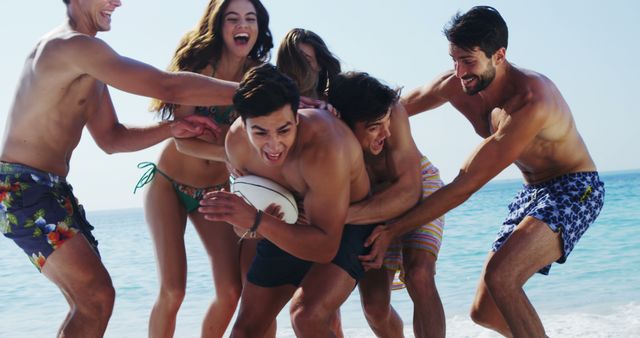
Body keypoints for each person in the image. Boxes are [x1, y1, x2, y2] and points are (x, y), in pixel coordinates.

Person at [361, 6, 605, 337]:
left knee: (502, 276)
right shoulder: (456, 84)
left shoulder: (531, 102)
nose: (460, 71)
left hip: (576, 189)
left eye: (469, 61)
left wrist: (393, 229)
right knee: (484, 311)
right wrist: (338, 115)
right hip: (532, 191)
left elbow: (466, 183)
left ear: (499, 55)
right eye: (454, 59)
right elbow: (394, 109)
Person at [0, 0, 238, 336]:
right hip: (23, 186)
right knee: (97, 297)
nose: (117, 2)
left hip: (49, 189)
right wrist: (249, 94)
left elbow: (111, 139)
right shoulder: (70, 46)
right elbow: (166, 86)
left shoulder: (90, 65)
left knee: (90, 302)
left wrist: (171, 129)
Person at [198, 64, 373, 337]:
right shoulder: (236, 145)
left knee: (306, 316)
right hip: (288, 223)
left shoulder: (323, 147)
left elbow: (325, 247)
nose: (274, 145)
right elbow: (244, 230)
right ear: (242, 125)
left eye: (284, 130)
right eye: (260, 133)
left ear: (297, 118)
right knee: (244, 332)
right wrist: (244, 220)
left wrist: (257, 220)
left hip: (350, 222)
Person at [132, 0, 273, 337]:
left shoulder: (259, 76)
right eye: (233, 18)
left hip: (214, 192)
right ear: (219, 24)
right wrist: (226, 155)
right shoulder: (199, 68)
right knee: (173, 290)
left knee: (230, 292)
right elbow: (183, 140)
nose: (243, 25)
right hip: (168, 184)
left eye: (251, 18)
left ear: (259, 27)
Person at [328, 72, 446, 338]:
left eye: (386, 122)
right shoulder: (328, 134)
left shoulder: (393, 113)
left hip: (415, 184)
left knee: (418, 274)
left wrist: (339, 217)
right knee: (375, 307)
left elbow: (408, 192)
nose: (387, 133)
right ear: (343, 123)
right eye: (374, 127)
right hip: (369, 201)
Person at [276, 28, 341, 99]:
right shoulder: (269, 100)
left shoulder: (332, 106)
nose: (296, 68)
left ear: (319, 65)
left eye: (305, 61)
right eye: (290, 62)